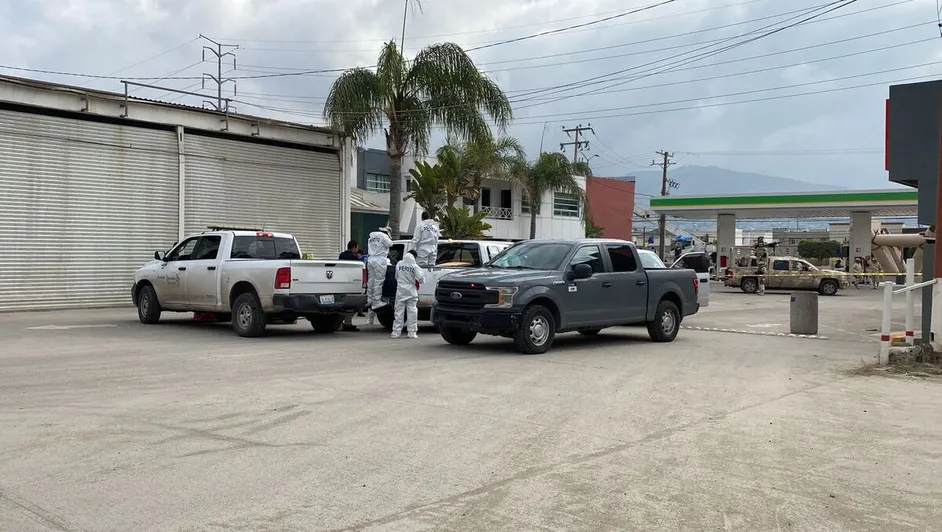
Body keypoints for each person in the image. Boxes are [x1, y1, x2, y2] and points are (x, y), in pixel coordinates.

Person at [391, 250, 425, 339]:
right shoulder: (415, 266)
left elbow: (396, 276)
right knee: (412, 312)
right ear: (414, 257)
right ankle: (412, 332)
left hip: (401, 291)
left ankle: (396, 332)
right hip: (411, 291)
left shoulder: (399, 264)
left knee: (398, 312)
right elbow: (421, 279)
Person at [366, 226, 393, 321]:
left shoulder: (371, 237)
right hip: (379, 261)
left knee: (371, 281)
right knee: (378, 281)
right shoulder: (383, 236)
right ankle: (377, 301)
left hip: (371, 259)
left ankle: (370, 300)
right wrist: (389, 238)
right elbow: (390, 244)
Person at [337, 241, 361, 331]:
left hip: (341, 281)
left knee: (341, 306)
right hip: (351, 282)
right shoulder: (354, 257)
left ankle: (341, 324)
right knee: (351, 306)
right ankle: (348, 323)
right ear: (353, 248)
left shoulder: (341, 255)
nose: (357, 250)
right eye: (356, 248)